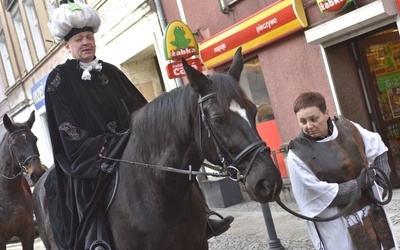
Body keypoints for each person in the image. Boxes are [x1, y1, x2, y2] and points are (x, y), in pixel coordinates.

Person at [44, 1, 233, 249]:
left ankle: (203, 216)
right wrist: (98, 144)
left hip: (127, 142)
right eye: (78, 39)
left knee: (172, 162)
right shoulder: (58, 80)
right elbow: (65, 126)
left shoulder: (112, 72)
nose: (85, 42)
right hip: (90, 151)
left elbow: (141, 110)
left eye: (89, 36)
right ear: (67, 45)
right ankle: (96, 238)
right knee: (87, 185)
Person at [287, 91, 398, 250]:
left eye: (314, 119)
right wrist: (360, 184)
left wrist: (380, 181)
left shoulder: (347, 128)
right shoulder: (298, 154)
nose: (309, 126)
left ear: (326, 113)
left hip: (372, 211)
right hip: (338, 224)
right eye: (302, 121)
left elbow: (377, 146)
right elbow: (316, 194)